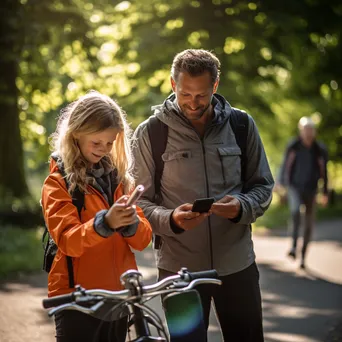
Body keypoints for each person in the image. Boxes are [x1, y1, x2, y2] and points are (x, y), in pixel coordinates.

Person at [133, 49, 274, 342]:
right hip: (178, 271)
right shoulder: (151, 133)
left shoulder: (241, 125)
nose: (193, 103)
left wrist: (240, 206)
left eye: (201, 95)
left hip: (237, 266)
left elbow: (263, 186)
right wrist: (170, 218)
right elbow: (137, 202)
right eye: (186, 94)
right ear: (173, 85)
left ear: (215, 85)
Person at [41, 91, 152, 342]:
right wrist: (105, 223)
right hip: (77, 299)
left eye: (110, 143)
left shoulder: (121, 181)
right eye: (96, 142)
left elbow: (142, 240)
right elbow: (69, 241)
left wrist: (131, 222)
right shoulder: (58, 183)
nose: (104, 150)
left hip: (118, 296)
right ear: (76, 135)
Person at [278, 116, 328, 269]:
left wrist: (325, 192)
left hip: (311, 190)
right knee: (295, 213)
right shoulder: (294, 146)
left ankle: (303, 256)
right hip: (294, 187)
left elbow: (324, 171)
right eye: (306, 129)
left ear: (314, 132)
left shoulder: (319, 149)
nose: (308, 133)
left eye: (311, 130)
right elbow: (285, 165)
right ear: (301, 131)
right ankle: (293, 247)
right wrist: (281, 183)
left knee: (308, 224)